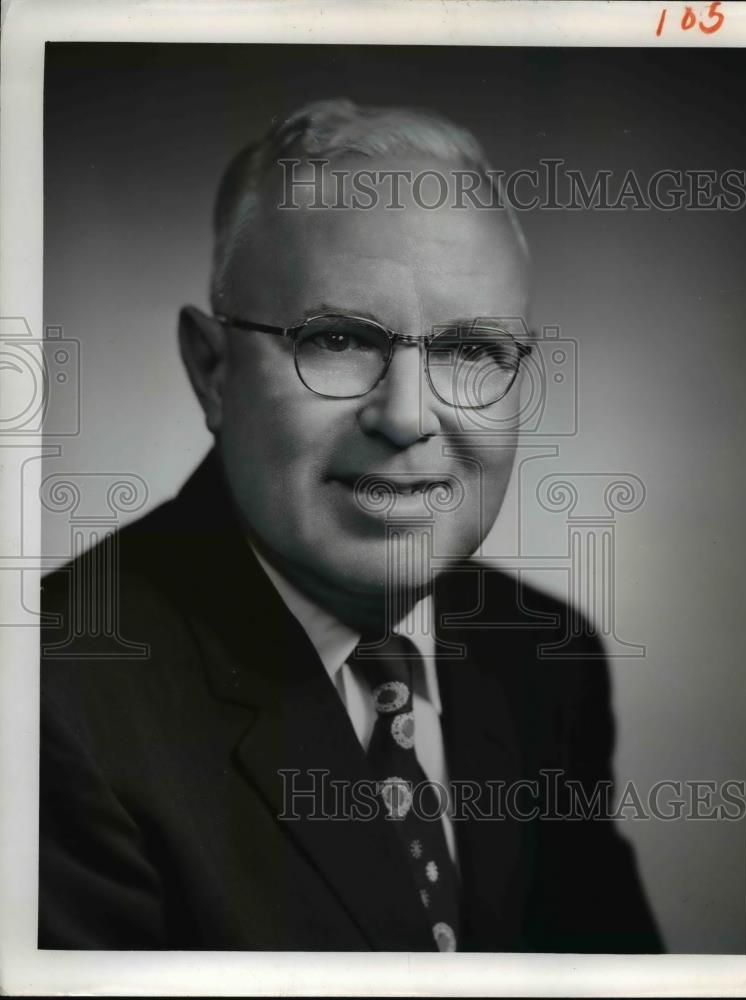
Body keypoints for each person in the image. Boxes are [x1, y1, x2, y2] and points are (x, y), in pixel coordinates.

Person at [39, 99, 663, 952]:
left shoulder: (544, 658)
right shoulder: (51, 705)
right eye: (336, 339)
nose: (407, 417)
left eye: (470, 351)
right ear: (213, 371)